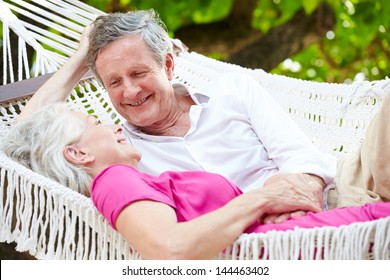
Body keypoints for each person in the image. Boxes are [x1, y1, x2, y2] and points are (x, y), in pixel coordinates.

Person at [17, 10, 339, 225]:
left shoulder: (233, 90)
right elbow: (19, 148)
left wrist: (302, 200)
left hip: (325, 202)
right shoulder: (120, 154)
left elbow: (300, 156)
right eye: (114, 82)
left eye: (138, 73)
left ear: (168, 65)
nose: (129, 91)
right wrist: (79, 60)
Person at [2, 103, 389, 259]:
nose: (109, 125)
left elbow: (19, 140)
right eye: (92, 123)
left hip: (302, 235)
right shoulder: (113, 180)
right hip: (308, 244)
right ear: (78, 154)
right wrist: (263, 199)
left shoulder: (132, 181)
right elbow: (170, 249)